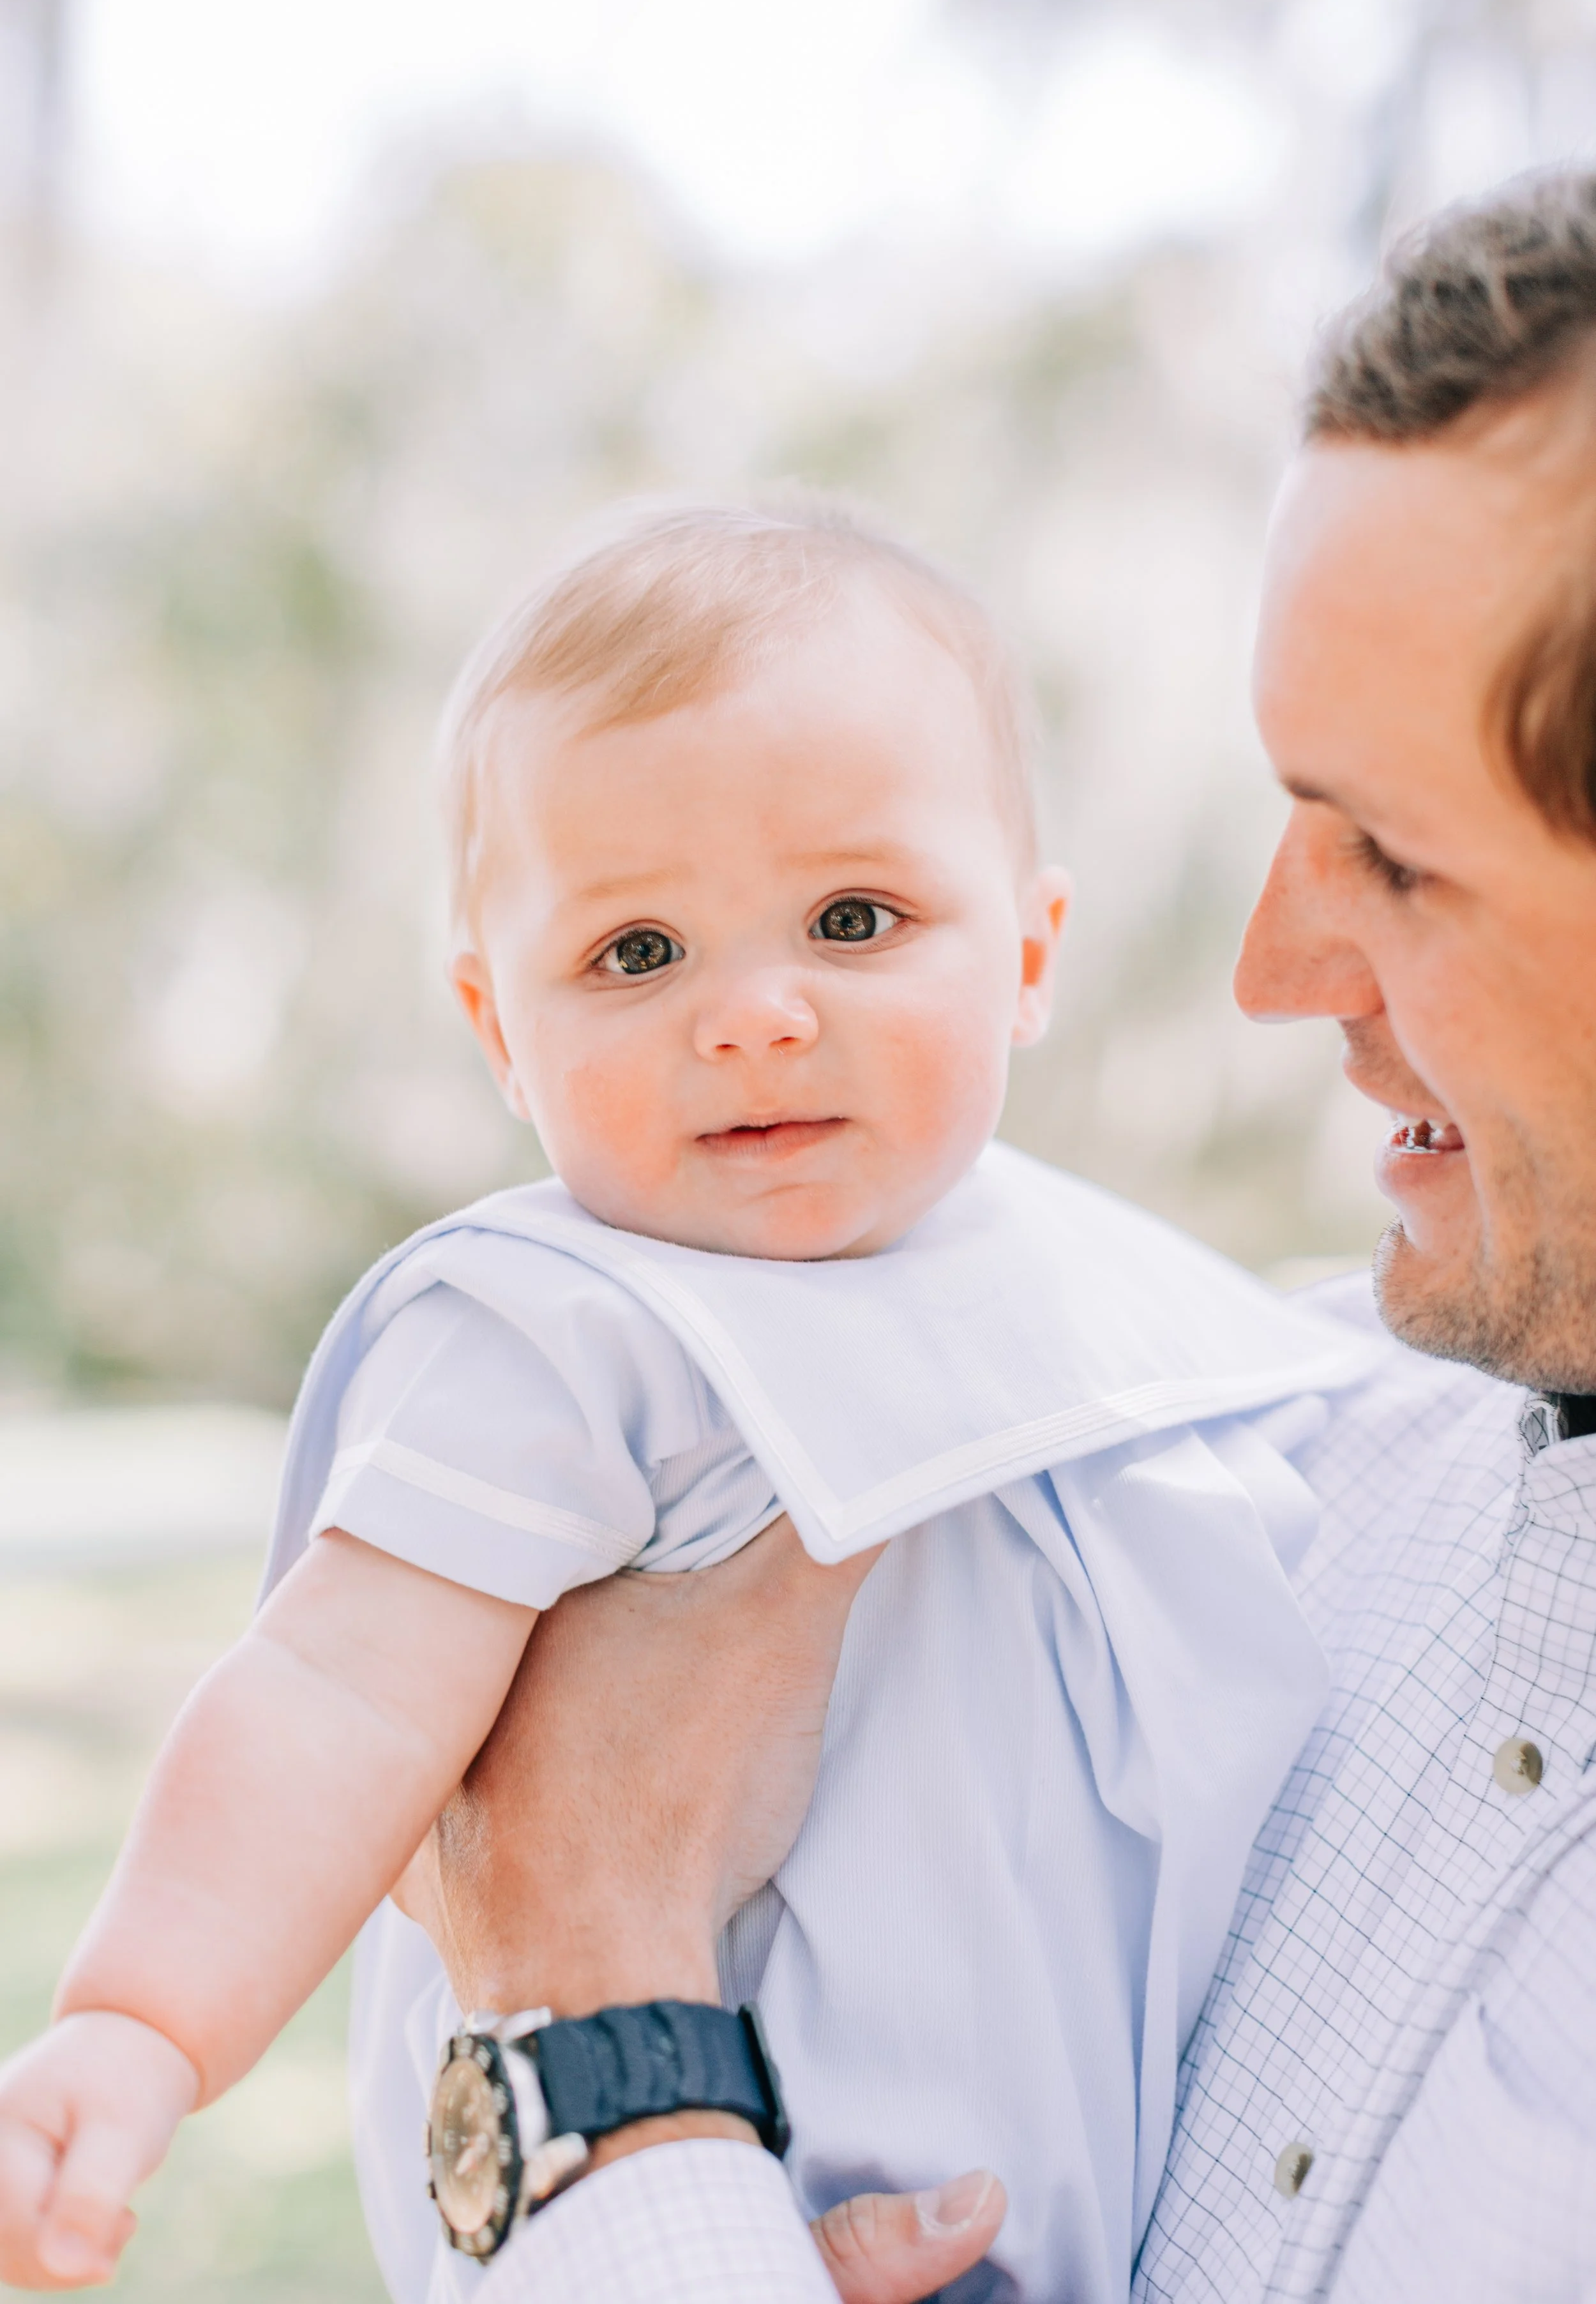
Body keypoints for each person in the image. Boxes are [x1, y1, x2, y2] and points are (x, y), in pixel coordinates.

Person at [395, 167, 1596, 2304]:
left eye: (1393, 861)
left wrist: (598, 2007)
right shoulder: (1242, 1459)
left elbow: (569, 1906)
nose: (1270, 963)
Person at [0, 501, 1385, 2303]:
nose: (750, 1013)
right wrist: (138, 2023)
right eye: (636, 953)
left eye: (852, 917)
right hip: (695, 2195)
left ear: (1029, 956)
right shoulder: (556, 1334)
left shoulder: (1103, 1296)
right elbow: (330, 1690)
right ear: (501, 1029)